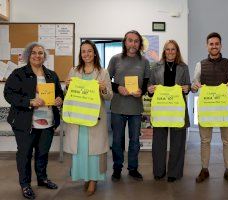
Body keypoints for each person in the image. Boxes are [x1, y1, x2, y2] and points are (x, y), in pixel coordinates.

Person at [4, 42, 63, 199]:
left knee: (43, 153)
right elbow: (9, 94)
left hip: (48, 122)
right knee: (24, 155)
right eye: (34, 53)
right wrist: (29, 101)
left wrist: (59, 99)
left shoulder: (51, 75)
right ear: (28, 55)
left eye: (41, 53)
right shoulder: (19, 73)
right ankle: (25, 184)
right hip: (25, 122)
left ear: (45, 56)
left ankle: (42, 179)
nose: (38, 56)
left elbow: (59, 94)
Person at [64, 40, 113, 196]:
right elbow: (67, 95)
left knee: (95, 151)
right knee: (81, 150)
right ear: (81, 54)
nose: (86, 54)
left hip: (95, 119)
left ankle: (93, 180)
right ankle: (85, 177)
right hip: (78, 119)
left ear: (94, 53)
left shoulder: (103, 72)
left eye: (89, 51)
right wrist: (66, 86)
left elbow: (110, 96)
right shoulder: (74, 71)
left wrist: (104, 88)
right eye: (83, 51)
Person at [191, 32, 228, 185]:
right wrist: (194, 86)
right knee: (205, 140)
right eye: (211, 44)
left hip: (224, 108)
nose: (214, 46)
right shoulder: (200, 64)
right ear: (207, 46)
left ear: (220, 45)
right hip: (206, 109)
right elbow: (193, 86)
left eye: (217, 43)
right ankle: (204, 169)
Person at [108, 30, 150, 182]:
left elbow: (146, 84)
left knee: (134, 141)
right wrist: (118, 87)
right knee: (117, 141)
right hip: (118, 108)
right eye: (130, 40)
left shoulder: (144, 62)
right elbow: (107, 83)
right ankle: (117, 169)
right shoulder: (115, 59)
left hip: (135, 109)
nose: (133, 44)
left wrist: (142, 91)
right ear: (125, 42)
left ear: (140, 44)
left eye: (136, 41)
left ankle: (133, 168)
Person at [147, 40, 190, 182]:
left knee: (178, 143)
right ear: (164, 51)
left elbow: (188, 85)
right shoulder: (156, 67)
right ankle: (159, 171)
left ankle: (174, 173)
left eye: (173, 49)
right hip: (161, 109)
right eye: (167, 49)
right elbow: (150, 86)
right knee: (158, 142)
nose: (170, 52)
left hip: (177, 109)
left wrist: (187, 88)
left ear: (177, 51)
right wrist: (150, 90)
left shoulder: (184, 67)